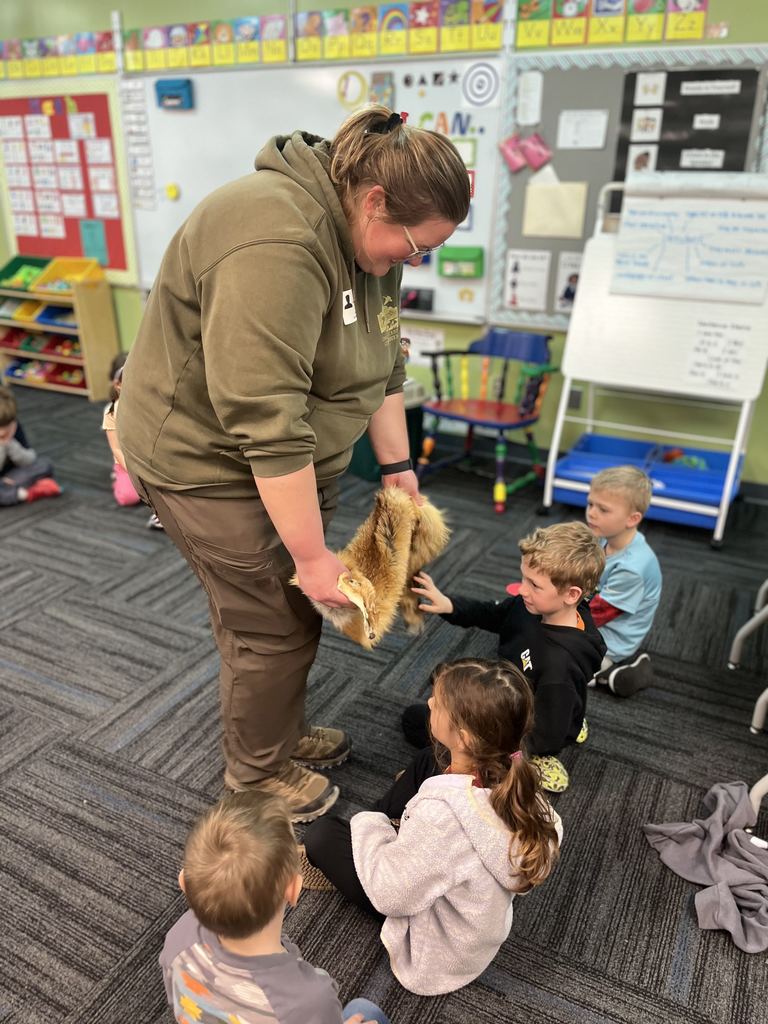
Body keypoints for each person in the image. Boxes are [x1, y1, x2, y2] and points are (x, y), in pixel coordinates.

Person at [117, 106, 470, 822]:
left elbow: (384, 363)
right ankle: (256, 775)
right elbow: (265, 419)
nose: (414, 262)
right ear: (375, 199)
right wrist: (311, 557)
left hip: (293, 458)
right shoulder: (274, 236)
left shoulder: (369, 240)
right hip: (206, 462)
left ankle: (273, 731)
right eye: (414, 247)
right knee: (273, 621)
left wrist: (398, 468)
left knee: (279, 615)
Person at [302, 658, 562, 995]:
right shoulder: (522, 785)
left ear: (465, 738)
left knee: (321, 836)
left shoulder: (443, 817)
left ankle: (376, 836)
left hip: (435, 944)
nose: (429, 703)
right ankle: (389, 830)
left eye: (437, 703)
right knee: (428, 758)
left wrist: (373, 827)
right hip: (472, 923)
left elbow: (391, 895)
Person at [405, 521, 606, 792]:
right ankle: (571, 720)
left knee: (418, 723)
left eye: (534, 584)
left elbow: (546, 731)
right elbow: (495, 613)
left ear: (572, 595)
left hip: (533, 722)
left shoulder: (559, 666)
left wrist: (513, 751)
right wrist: (450, 605)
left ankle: (537, 761)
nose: (522, 590)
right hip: (518, 690)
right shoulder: (534, 607)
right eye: (523, 578)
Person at [161, 790, 390, 1024]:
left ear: (184, 882)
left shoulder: (178, 939)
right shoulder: (309, 999)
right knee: (366, 1011)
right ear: (293, 888)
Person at [585, 465, 662, 697]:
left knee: (558, 667)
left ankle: (624, 668)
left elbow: (597, 615)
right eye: (590, 504)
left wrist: (550, 614)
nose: (591, 513)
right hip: (594, 614)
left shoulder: (632, 568)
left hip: (612, 638)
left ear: (632, 519)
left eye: (603, 509)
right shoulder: (604, 538)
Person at [102, 354, 163, 528]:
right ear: (117, 384)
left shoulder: (150, 404)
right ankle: (119, 478)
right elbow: (117, 449)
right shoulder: (112, 412)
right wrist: (134, 472)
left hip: (152, 458)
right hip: (128, 463)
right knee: (128, 497)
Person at [0, 384, 61, 506]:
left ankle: (9, 490)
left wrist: (11, 445)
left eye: (7, 426)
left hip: (12, 475)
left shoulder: (15, 428)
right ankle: (26, 493)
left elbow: (28, 460)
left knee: (44, 464)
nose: (2, 432)